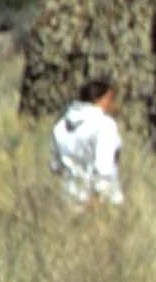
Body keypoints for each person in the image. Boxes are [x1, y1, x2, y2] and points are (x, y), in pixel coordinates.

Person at [50, 76, 124, 209]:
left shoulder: (60, 125)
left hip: (68, 200)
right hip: (99, 203)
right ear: (104, 98)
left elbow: (57, 167)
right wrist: (98, 197)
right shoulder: (104, 125)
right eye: (112, 99)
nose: (114, 105)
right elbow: (104, 167)